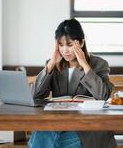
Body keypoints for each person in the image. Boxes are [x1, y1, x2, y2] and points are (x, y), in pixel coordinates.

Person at [28, 19, 117, 148]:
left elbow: (102, 96)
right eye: (60, 44)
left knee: (46, 143)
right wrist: (51, 64)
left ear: (80, 42)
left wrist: (85, 65)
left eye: (69, 44)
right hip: (58, 125)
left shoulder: (99, 64)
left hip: (88, 129)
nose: (65, 50)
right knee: (40, 136)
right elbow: (35, 95)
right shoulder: (53, 64)